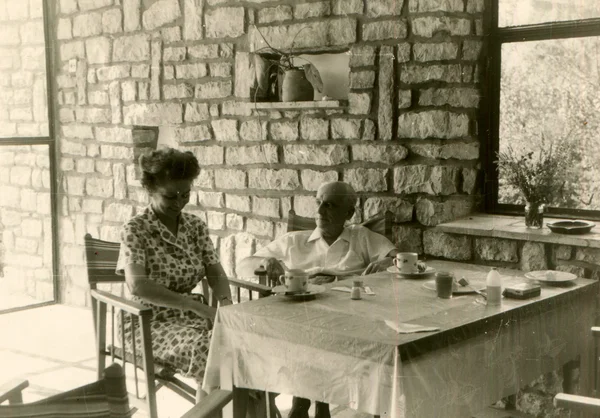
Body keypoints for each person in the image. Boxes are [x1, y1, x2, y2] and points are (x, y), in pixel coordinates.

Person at [237, 181, 398, 418]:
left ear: (349, 213)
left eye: (330, 205)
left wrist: (387, 261)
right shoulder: (294, 240)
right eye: (318, 203)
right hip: (298, 320)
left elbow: (398, 258)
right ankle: (307, 401)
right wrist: (266, 262)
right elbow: (243, 265)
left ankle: (304, 402)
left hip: (349, 322)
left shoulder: (361, 237)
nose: (320, 211)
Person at [116, 148, 233, 402]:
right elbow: (138, 286)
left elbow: (216, 273)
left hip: (192, 317)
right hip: (147, 322)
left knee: (238, 344)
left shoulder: (195, 227)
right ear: (150, 190)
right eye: (170, 196)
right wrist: (196, 308)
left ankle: (216, 409)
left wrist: (225, 306)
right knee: (212, 349)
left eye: (186, 194)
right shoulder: (136, 229)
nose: (179, 202)